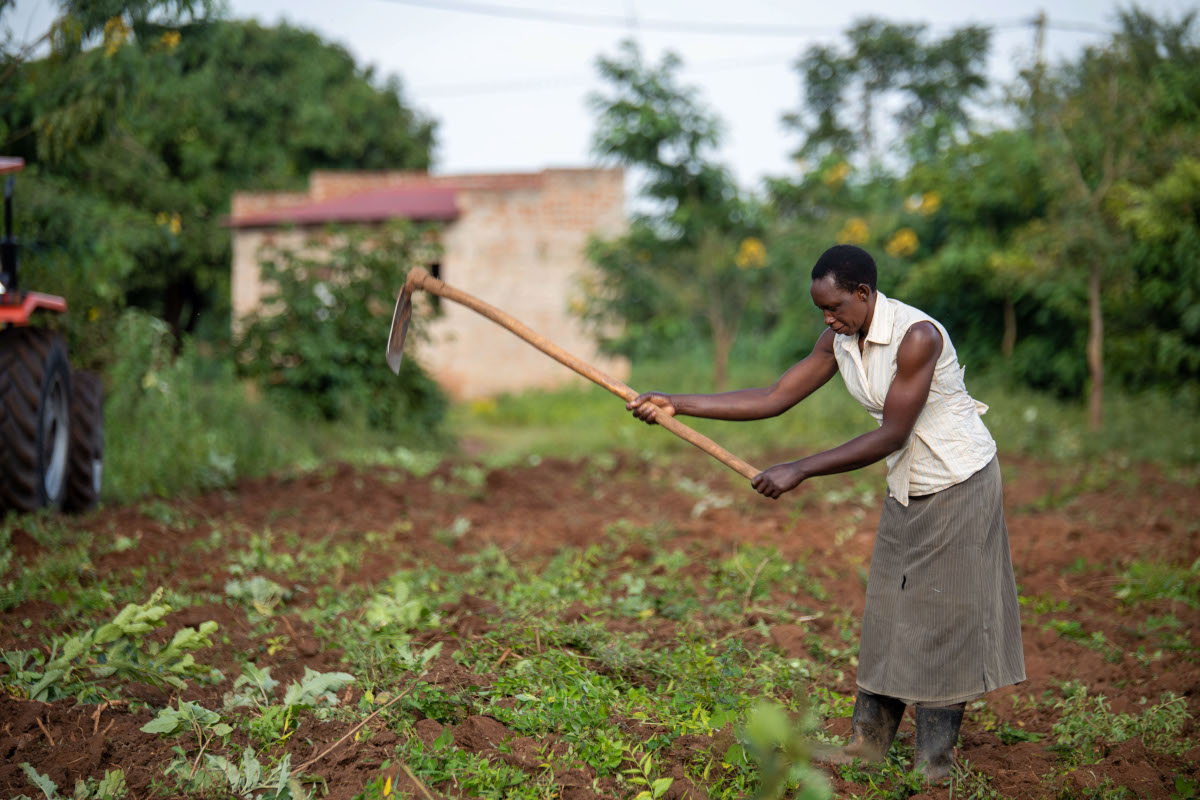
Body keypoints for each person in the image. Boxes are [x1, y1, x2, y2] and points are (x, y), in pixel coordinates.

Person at [627, 244, 1025, 781]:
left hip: (960, 483)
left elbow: (892, 433)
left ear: (864, 293)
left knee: (944, 615)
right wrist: (677, 402)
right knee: (888, 606)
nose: (828, 318)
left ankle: (936, 765)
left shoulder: (918, 336)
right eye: (821, 310)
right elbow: (773, 396)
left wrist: (800, 468)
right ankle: (868, 744)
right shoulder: (839, 338)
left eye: (835, 306)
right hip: (909, 485)